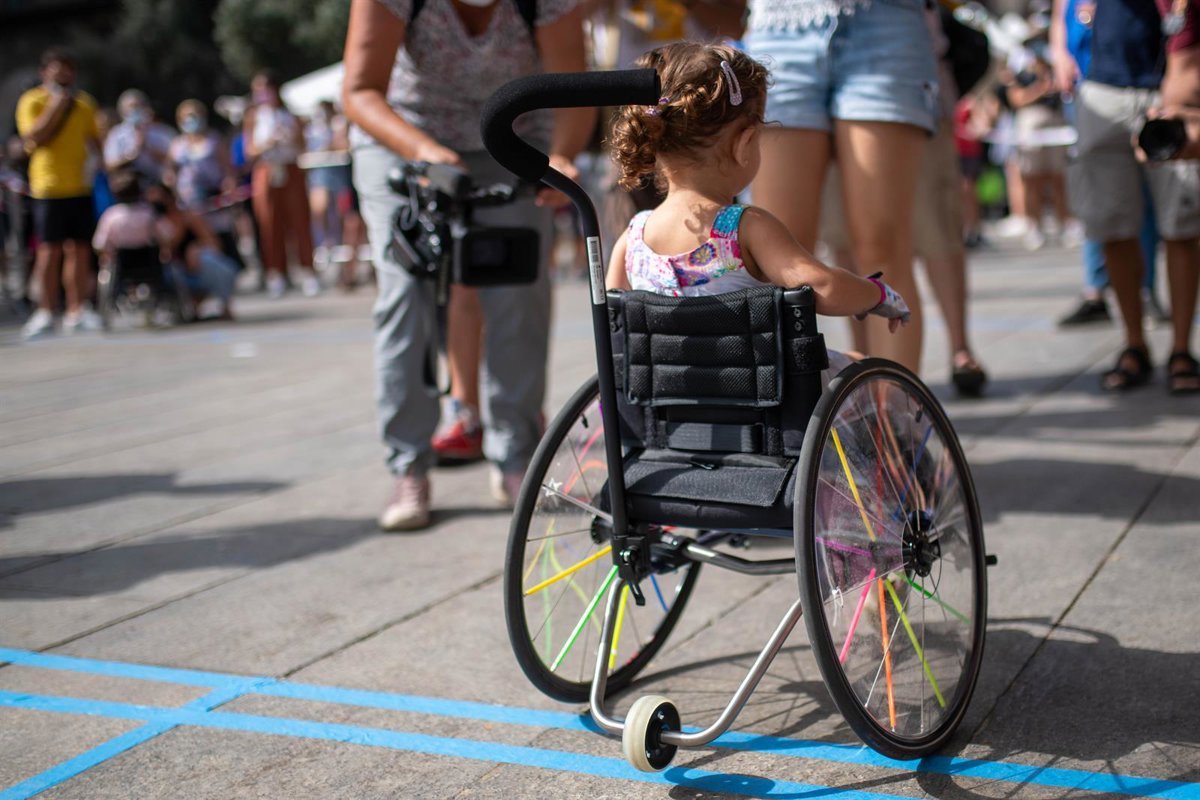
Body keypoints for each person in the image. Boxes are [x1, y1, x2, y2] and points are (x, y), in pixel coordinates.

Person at [342, 0, 596, 530]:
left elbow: (573, 87)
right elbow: (360, 90)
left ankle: (516, 454)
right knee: (406, 291)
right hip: (405, 141)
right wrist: (426, 152)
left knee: (518, 287)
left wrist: (562, 159)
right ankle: (409, 464)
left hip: (515, 138)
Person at [605, 43, 910, 383]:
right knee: (867, 374)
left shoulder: (633, 237)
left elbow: (615, 324)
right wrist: (878, 294)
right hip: (758, 394)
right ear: (744, 143)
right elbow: (821, 285)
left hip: (670, 401)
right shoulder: (744, 229)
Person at [745, 0, 936, 374]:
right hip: (780, 29)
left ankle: (892, 425)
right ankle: (783, 426)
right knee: (777, 259)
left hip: (885, 21)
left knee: (882, 245)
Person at [1069, 0, 1200, 394]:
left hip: (1172, 84)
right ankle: (1133, 343)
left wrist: (1178, 103)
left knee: (1183, 226)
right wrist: (1063, 47)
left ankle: (1181, 348)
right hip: (1103, 85)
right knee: (1112, 225)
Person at [15, 47, 103, 340]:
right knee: (48, 251)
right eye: (56, 68)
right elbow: (33, 137)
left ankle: (77, 311)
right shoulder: (32, 101)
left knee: (78, 249)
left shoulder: (84, 103)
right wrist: (56, 105)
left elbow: (96, 140)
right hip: (47, 188)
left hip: (79, 186)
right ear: (44, 72)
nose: (63, 74)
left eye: (67, 68)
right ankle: (45, 311)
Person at [244, 70, 320, 299]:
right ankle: (276, 273)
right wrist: (267, 143)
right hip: (266, 171)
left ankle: (308, 271)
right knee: (269, 223)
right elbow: (249, 151)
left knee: (299, 221)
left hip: (290, 168)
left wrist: (290, 136)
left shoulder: (289, 115)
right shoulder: (254, 117)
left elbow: (303, 145)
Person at [144, 183, 239, 320]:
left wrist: (197, 249)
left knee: (210, 260)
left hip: (197, 269)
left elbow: (214, 243)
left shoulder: (189, 217)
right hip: (172, 271)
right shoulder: (153, 222)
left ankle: (224, 305)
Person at [166, 99, 240, 268]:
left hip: (213, 198)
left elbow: (228, 168)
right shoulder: (177, 145)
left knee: (218, 235)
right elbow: (170, 170)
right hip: (188, 201)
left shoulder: (213, 140)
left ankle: (225, 267)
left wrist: (230, 186)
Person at [104, 89, 174, 184]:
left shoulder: (162, 131)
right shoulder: (116, 134)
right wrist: (131, 156)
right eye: (131, 107)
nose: (134, 110)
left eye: (138, 106)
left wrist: (147, 148)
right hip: (127, 189)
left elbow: (172, 160)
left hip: (157, 186)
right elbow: (110, 165)